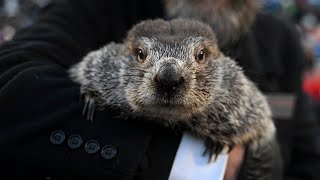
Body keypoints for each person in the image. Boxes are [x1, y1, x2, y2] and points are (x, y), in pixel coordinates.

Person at [0, 0, 317, 179]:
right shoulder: (95, 10)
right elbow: (12, 82)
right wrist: (188, 162)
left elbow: (305, 158)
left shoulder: (280, 40)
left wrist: (250, 165)